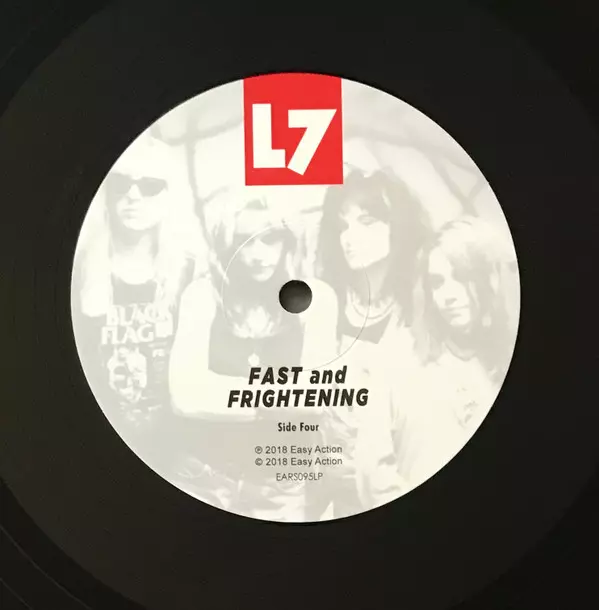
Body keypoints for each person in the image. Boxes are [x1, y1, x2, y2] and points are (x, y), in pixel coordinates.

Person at [168, 192, 337, 521]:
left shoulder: (317, 298)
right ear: (227, 244)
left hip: (280, 487)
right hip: (202, 477)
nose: (259, 254)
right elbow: (184, 398)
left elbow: (318, 397)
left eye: (270, 238)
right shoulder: (202, 295)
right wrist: (280, 399)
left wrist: (218, 391)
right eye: (245, 241)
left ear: (288, 240)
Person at [308, 169, 431, 518]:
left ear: (400, 228)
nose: (349, 236)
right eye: (343, 225)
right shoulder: (324, 304)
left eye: (367, 221)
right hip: (323, 488)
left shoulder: (423, 312)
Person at [71, 133, 196, 472]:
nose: (133, 196)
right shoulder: (77, 269)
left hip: (175, 447)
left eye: (150, 185)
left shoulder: (189, 269)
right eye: (121, 184)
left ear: (168, 196)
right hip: (98, 441)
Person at [393, 215, 518, 489]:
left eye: (460, 277)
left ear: (489, 280)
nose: (447, 295)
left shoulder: (508, 353)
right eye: (437, 283)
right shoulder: (409, 361)